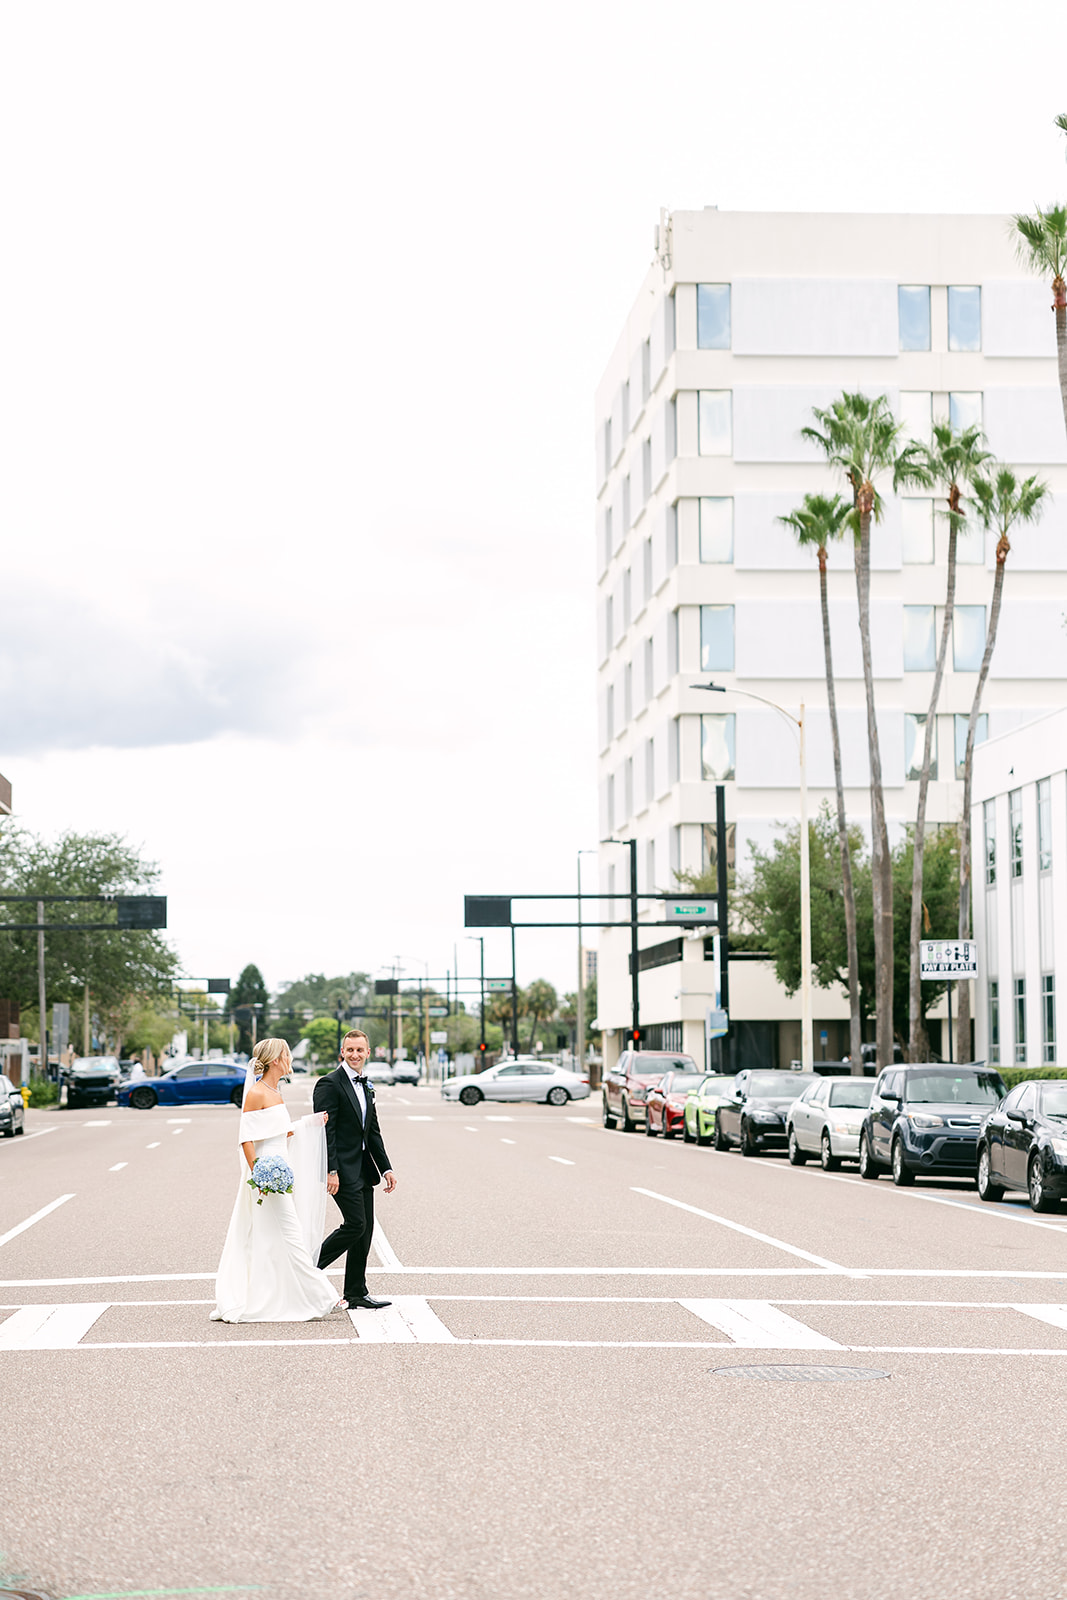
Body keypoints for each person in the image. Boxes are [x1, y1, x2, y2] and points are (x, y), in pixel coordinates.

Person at [211, 1037, 344, 1323]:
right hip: (268, 1177)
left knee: (273, 1239)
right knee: (292, 1235)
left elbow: (281, 1133)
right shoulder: (257, 1093)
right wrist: (258, 1172)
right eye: (287, 1055)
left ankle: (275, 1294)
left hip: (282, 1170)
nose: (290, 1060)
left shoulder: (276, 1091)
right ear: (275, 1060)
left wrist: (309, 1123)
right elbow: (247, 1139)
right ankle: (324, 1297)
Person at [313, 1029, 397, 1311]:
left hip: (363, 1168)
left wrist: (386, 1168)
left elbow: (372, 1131)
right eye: (350, 1050)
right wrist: (331, 1170)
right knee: (355, 1224)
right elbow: (327, 1133)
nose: (355, 1055)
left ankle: (356, 1293)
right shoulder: (329, 1084)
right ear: (342, 1052)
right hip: (341, 1169)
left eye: (360, 1050)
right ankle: (309, 1268)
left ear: (368, 1052)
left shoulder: (367, 1085)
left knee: (365, 1230)